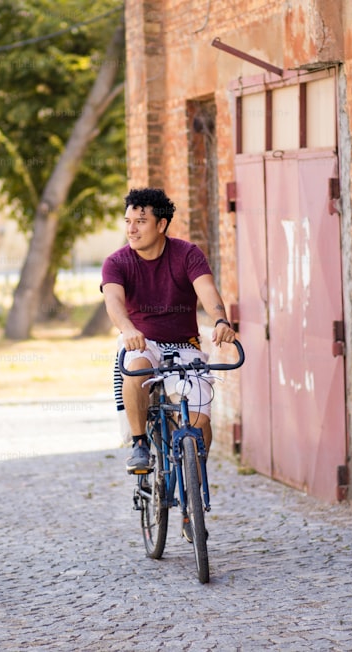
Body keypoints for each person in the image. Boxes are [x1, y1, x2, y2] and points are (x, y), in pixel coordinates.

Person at [101, 188, 236, 476]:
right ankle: (140, 445)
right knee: (136, 363)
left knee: (199, 421)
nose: (131, 229)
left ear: (161, 225)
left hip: (183, 346)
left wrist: (221, 320)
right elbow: (113, 301)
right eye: (127, 221)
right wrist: (127, 329)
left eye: (140, 221)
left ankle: (195, 490)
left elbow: (207, 290)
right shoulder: (117, 262)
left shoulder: (187, 254)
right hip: (142, 340)